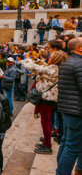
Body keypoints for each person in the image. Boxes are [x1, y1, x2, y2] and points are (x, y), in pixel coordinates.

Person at [21, 50, 66, 155]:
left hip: (46, 99)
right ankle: (46, 140)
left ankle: (47, 146)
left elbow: (34, 68)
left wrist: (27, 58)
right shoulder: (57, 68)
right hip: (51, 99)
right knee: (47, 122)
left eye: (52, 56)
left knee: (45, 123)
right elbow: (44, 66)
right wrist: (36, 59)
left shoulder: (51, 69)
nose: (50, 56)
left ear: (55, 59)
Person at [56, 37, 82, 175]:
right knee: (71, 148)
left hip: (68, 109)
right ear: (79, 48)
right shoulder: (79, 64)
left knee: (67, 143)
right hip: (76, 111)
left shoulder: (68, 62)